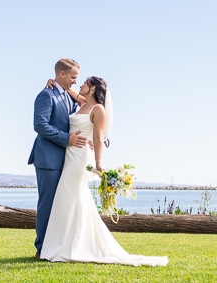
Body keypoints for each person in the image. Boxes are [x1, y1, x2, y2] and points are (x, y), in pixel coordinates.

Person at [40, 76, 168, 266]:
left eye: (84, 83)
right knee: (70, 197)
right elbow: (67, 89)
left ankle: (72, 245)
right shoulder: (82, 103)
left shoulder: (98, 109)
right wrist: (53, 82)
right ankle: (66, 243)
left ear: (92, 89)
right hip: (70, 154)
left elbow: (98, 137)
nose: (80, 85)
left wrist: (99, 163)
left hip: (81, 157)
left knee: (71, 193)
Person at [28, 58, 88, 258]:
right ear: (61, 74)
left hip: (68, 160)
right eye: (72, 77)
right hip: (48, 159)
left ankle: (59, 246)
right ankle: (41, 248)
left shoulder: (71, 98)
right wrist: (67, 139)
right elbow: (40, 125)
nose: (74, 82)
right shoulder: (46, 95)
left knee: (63, 205)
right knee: (48, 204)